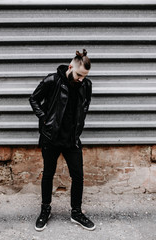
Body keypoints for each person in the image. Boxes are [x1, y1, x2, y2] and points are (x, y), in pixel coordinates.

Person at [29, 49, 96, 231]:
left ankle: (76, 213)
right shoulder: (52, 80)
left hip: (72, 139)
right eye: (79, 75)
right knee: (48, 174)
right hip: (51, 138)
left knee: (78, 176)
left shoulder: (86, 85)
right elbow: (33, 99)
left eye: (85, 76)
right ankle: (45, 210)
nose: (81, 79)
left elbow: (84, 108)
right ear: (70, 67)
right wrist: (44, 118)